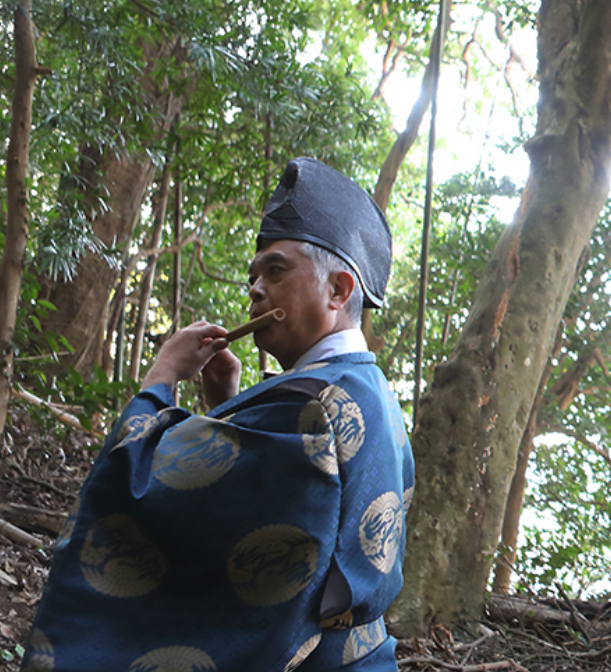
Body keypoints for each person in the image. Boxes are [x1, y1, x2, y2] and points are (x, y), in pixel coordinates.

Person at [24, 158, 415, 672]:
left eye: (275, 271)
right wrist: (224, 411)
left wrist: (161, 376)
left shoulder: (307, 406)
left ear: (338, 290)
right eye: (253, 277)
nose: (254, 290)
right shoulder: (370, 389)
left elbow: (134, 498)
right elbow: (264, 509)